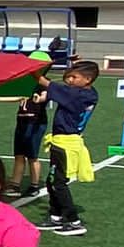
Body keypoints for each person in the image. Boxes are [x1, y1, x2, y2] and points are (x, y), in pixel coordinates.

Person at [40, 60, 100, 236]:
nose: (70, 80)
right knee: (52, 181)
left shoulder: (76, 95)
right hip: (65, 141)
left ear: (88, 79)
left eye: (75, 77)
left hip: (65, 144)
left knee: (58, 182)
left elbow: (44, 82)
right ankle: (56, 215)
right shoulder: (89, 94)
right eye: (69, 77)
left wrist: (34, 70)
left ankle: (74, 221)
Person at [12, 75, 49, 197]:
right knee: (19, 155)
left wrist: (40, 99)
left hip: (35, 123)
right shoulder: (25, 83)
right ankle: (15, 185)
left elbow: (45, 95)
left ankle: (34, 185)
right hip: (21, 122)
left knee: (32, 156)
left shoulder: (43, 83)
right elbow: (19, 97)